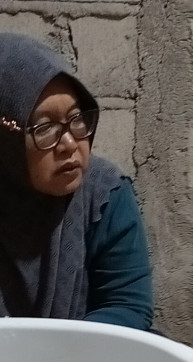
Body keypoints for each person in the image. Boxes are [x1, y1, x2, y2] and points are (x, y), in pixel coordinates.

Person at [0, 33, 153, 330]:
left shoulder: (106, 194)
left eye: (76, 119)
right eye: (44, 128)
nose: (70, 143)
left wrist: (58, 352)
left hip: (87, 359)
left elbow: (127, 306)